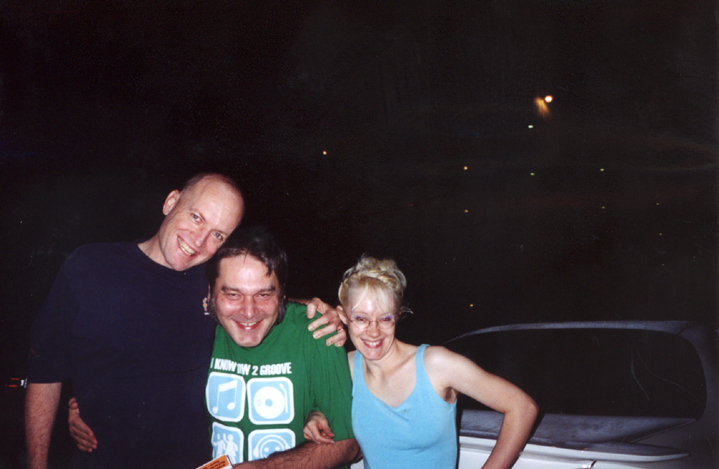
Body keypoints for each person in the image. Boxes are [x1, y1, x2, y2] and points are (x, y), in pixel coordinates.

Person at [26, 173, 343, 469]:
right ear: (170, 202)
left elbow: (257, 304)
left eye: (217, 234)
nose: (199, 240)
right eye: (197, 217)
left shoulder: (210, 284)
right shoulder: (88, 268)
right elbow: (45, 376)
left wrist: (315, 308)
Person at [304, 256, 539, 469]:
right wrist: (316, 415)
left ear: (398, 316)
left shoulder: (436, 364)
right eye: (361, 319)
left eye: (385, 319)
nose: (373, 332)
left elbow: (523, 408)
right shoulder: (346, 368)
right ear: (343, 317)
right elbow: (319, 405)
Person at [201, 227, 359, 468]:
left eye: (263, 295)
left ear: (282, 294)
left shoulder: (316, 330)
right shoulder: (198, 332)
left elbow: (348, 444)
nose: (249, 312)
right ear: (210, 293)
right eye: (233, 295)